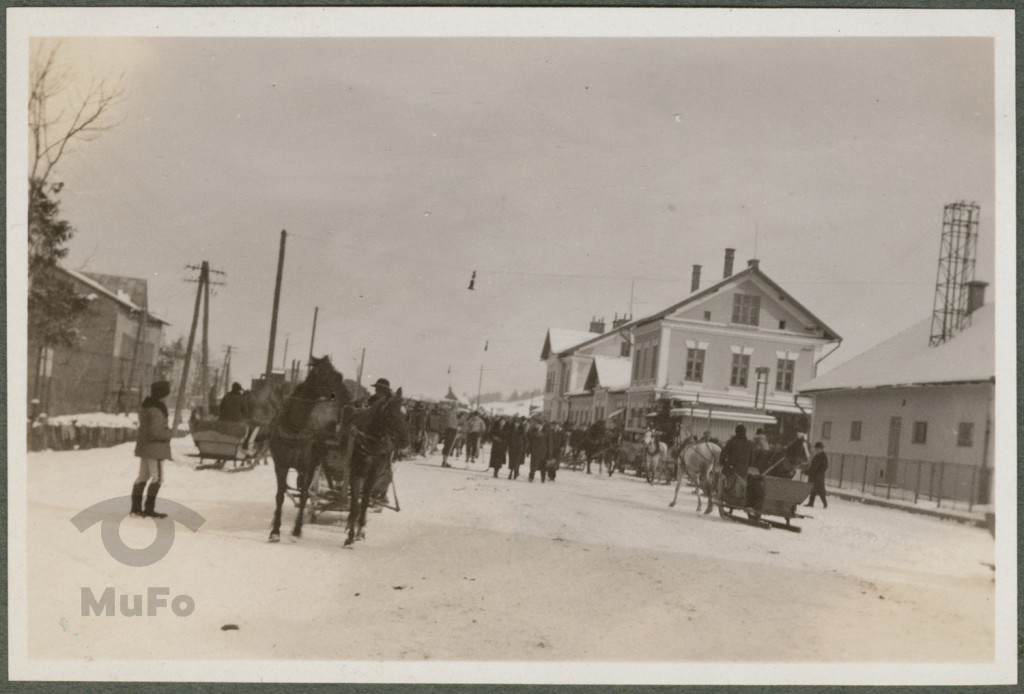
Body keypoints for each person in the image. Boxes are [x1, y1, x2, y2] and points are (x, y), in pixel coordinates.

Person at [131, 381, 173, 518]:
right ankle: (149, 509)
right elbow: (156, 432)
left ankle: (135, 509)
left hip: (145, 447)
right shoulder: (158, 409)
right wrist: (168, 434)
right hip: (156, 448)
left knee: (142, 477)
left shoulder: (146, 406)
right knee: (158, 478)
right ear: (162, 394)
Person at [719, 424, 755, 506]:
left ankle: (720, 497)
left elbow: (723, 455)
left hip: (730, 470)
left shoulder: (731, 442)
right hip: (743, 471)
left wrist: (722, 462)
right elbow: (752, 460)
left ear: (736, 432)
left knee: (721, 478)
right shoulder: (749, 444)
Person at [805, 442, 829, 508]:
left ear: (821, 449)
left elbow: (825, 466)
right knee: (812, 489)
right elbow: (813, 465)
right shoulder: (816, 456)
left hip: (818, 477)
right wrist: (808, 471)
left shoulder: (823, 456)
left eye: (817, 448)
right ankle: (811, 503)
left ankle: (825, 504)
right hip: (813, 476)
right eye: (816, 448)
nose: (816, 450)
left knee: (821, 490)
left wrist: (817, 472)